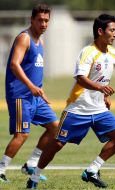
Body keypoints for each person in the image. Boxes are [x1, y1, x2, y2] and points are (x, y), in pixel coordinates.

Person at [26, 14, 115, 189]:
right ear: (100, 31)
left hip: (99, 109)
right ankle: (34, 177)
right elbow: (80, 78)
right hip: (78, 107)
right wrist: (100, 89)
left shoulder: (113, 54)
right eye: (112, 30)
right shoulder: (87, 51)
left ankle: (92, 170)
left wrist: (105, 96)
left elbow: (103, 79)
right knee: (57, 143)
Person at [0, 4, 59, 183]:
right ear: (32, 20)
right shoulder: (24, 38)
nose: (43, 24)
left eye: (46, 21)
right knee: (22, 134)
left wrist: (40, 90)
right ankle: (1, 170)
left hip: (35, 96)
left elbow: (33, 69)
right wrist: (31, 87)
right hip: (20, 95)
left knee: (55, 127)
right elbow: (14, 65)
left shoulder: (40, 41)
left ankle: (31, 164)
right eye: (40, 20)